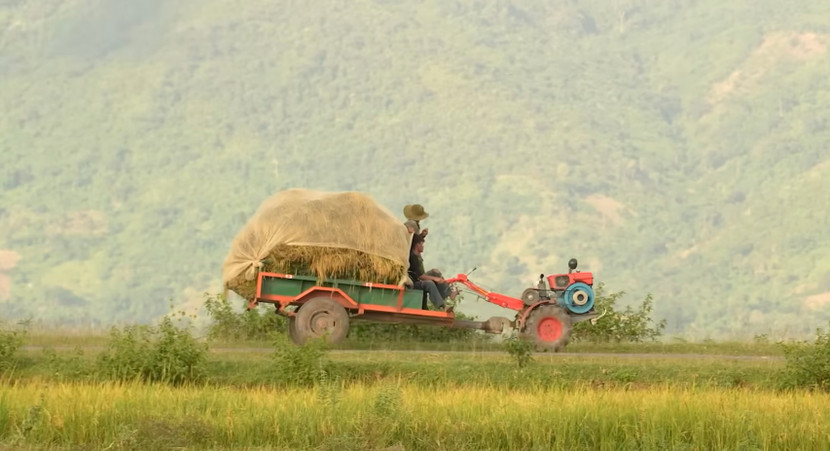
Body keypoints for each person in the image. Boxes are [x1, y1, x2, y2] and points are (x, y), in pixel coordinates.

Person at [407, 234, 456, 312]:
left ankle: (450, 293)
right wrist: (435, 279)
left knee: (435, 272)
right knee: (429, 283)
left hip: (419, 278)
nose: (423, 246)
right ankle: (443, 306)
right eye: (422, 244)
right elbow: (420, 276)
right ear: (417, 245)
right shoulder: (412, 257)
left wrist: (435, 276)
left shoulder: (417, 256)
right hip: (414, 282)